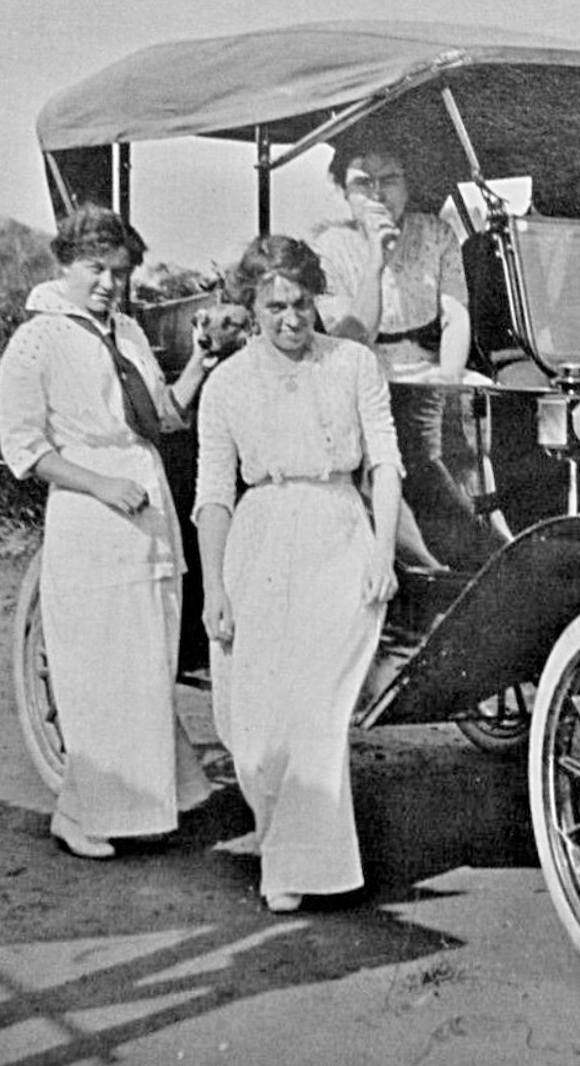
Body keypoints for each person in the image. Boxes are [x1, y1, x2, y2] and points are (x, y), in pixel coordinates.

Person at [0, 204, 214, 859]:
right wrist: (101, 485)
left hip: (148, 514)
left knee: (147, 665)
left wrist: (200, 364)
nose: (108, 284)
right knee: (97, 671)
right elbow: (26, 449)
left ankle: (143, 804)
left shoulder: (128, 332)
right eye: (95, 268)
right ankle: (79, 813)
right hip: (90, 516)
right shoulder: (36, 340)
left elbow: (162, 416)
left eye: (119, 272)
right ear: (65, 263)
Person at [193, 235, 402, 913]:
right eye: (274, 307)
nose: (291, 319)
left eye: (301, 303)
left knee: (315, 708)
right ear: (250, 308)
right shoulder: (226, 384)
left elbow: (385, 462)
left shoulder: (353, 363)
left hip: (338, 536)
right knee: (253, 726)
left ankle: (298, 864)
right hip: (258, 541)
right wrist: (214, 589)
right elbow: (213, 495)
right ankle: (277, 832)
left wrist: (382, 553)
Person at [311, 142, 491, 566]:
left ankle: (484, 536)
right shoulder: (329, 247)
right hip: (364, 365)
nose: (377, 193)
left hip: (429, 365)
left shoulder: (436, 233)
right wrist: (377, 255)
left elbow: (455, 315)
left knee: (473, 421)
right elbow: (352, 338)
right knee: (401, 456)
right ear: (344, 191)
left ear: (408, 186)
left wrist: (449, 377)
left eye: (389, 180)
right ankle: (422, 560)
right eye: (363, 183)